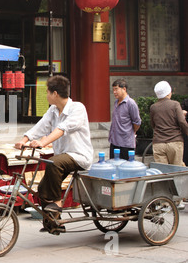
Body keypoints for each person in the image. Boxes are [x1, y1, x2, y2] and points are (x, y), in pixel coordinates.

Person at [15, 75, 93, 217]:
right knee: (43, 189)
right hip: (62, 158)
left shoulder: (78, 108)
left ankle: (57, 204)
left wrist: (42, 142)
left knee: (53, 162)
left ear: (55, 94)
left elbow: (62, 128)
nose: (46, 95)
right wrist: (24, 140)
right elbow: (41, 126)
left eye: (47, 92)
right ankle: (53, 224)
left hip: (79, 156)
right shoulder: (53, 110)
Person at [150, 81, 188, 166]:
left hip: (158, 143)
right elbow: (182, 121)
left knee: (162, 172)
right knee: (177, 171)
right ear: (168, 93)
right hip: (174, 142)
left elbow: (153, 124)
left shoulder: (153, 107)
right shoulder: (175, 104)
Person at [108, 79, 141, 160]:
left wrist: (130, 132)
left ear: (124, 89)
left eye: (116, 89)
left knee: (126, 169)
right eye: (113, 90)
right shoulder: (116, 102)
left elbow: (137, 122)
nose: (114, 92)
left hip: (126, 144)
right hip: (114, 142)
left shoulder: (131, 103)